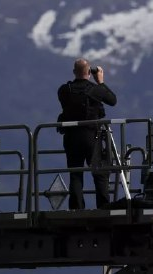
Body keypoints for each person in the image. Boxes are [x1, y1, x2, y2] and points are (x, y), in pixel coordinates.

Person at [57, 58, 118, 210]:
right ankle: (104, 207)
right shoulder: (96, 90)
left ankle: (76, 209)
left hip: (71, 137)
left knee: (75, 174)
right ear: (89, 73)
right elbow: (112, 100)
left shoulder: (64, 90)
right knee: (100, 174)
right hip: (92, 136)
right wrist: (101, 82)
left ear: (73, 72)